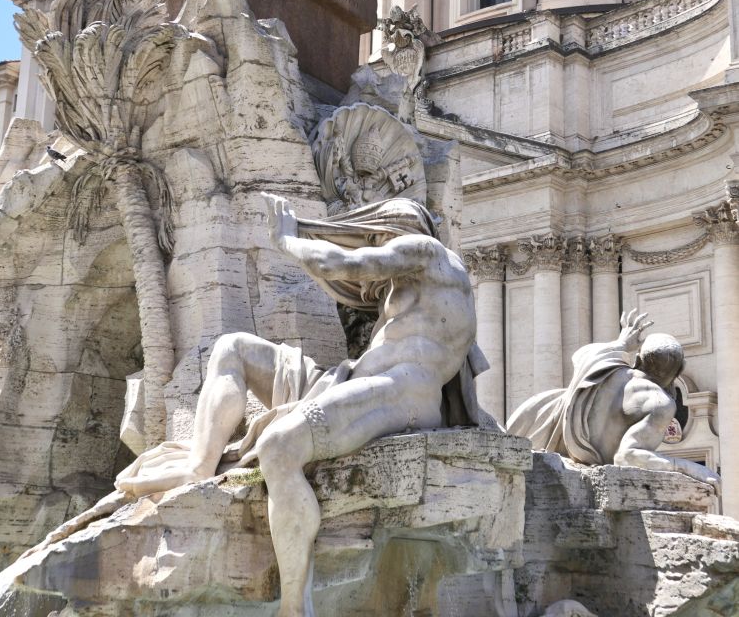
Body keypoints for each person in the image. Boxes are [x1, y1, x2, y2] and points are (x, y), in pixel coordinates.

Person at [28, 193, 494, 617]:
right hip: (351, 381)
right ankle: (199, 462)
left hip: (403, 391)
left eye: (374, 237)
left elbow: (342, 262)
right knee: (233, 347)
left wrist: (288, 240)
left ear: (392, 232)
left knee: (279, 446)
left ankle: (295, 605)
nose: (373, 247)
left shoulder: (430, 253)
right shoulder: (409, 290)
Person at [507, 310, 720, 491]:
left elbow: (583, 353)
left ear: (637, 360)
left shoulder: (602, 364)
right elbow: (627, 457)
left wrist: (622, 344)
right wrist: (690, 468)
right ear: (679, 370)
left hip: (538, 438)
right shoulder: (660, 403)